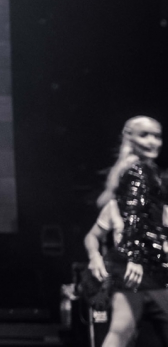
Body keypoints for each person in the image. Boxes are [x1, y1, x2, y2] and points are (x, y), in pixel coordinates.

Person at [92, 116, 168, 347]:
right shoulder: (138, 169)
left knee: (121, 330)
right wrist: (135, 257)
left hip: (143, 262)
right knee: (120, 331)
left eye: (157, 136)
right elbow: (134, 213)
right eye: (144, 135)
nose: (152, 141)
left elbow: (108, 202)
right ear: (130, 137)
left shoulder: (131, 167)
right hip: (144, 263)